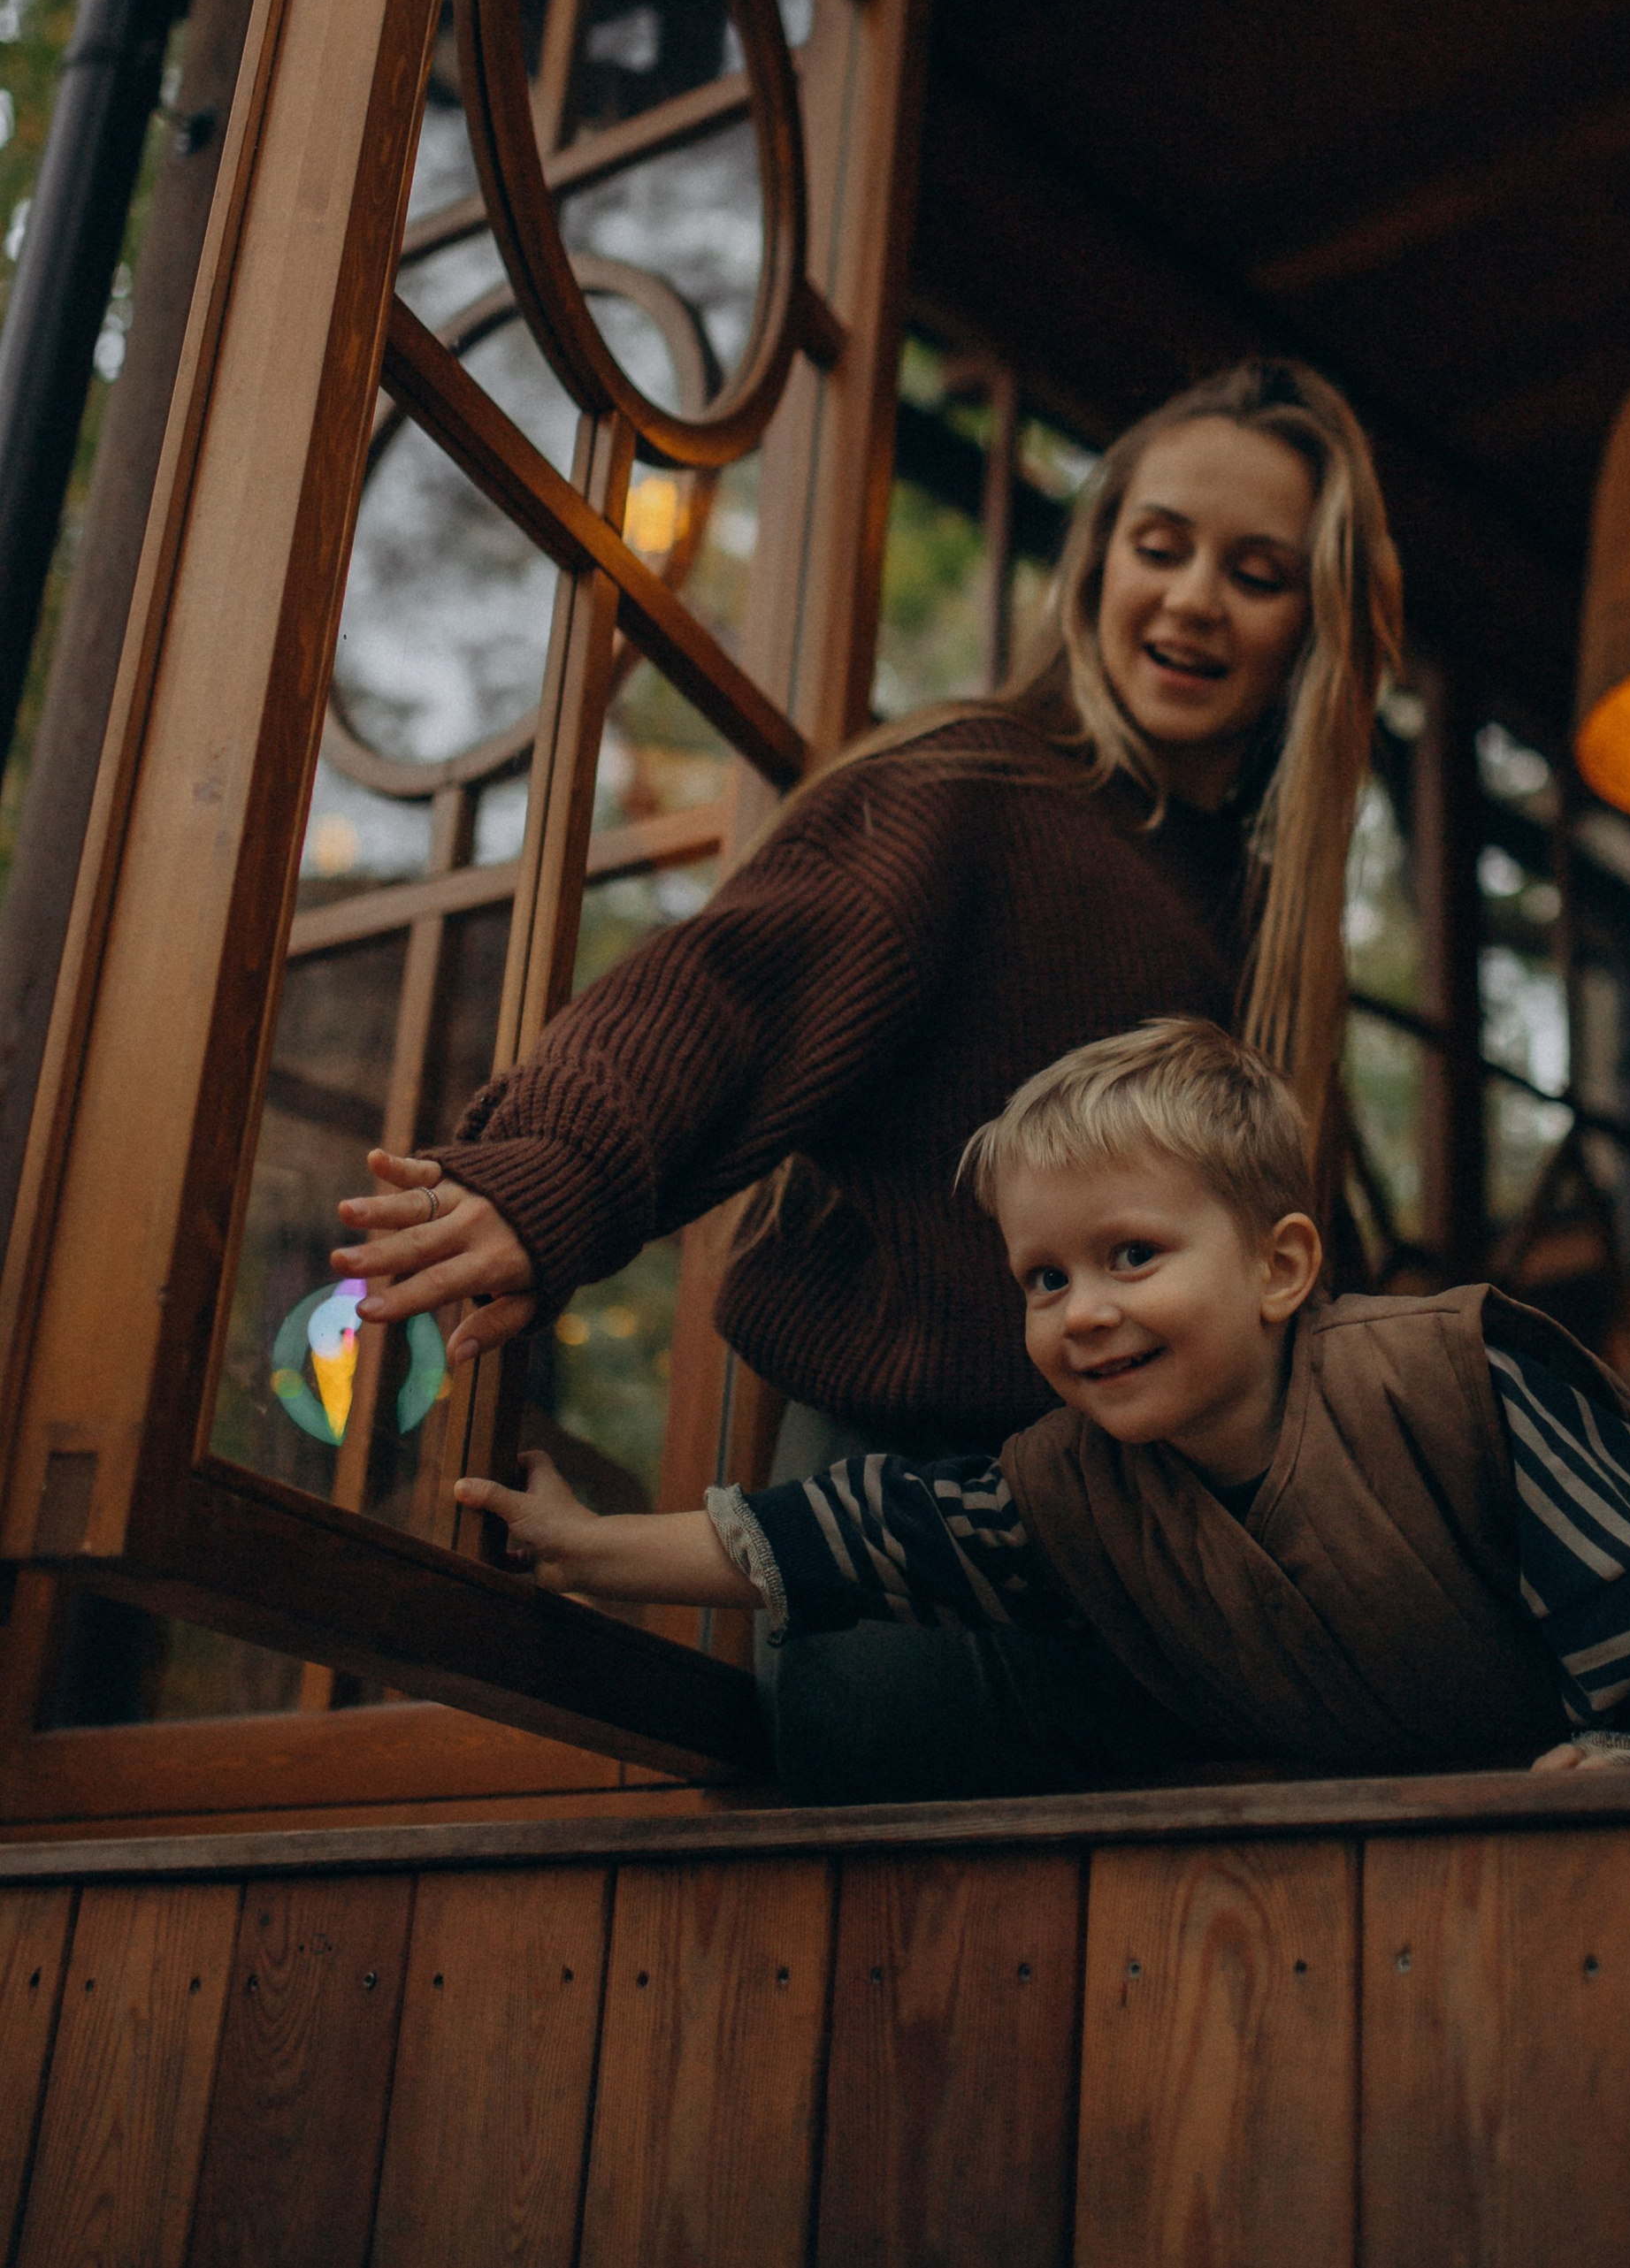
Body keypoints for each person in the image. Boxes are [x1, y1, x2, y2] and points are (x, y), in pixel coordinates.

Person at [333, 358, 1403, 1795]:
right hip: (905, 1555)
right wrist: (556, 1177)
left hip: (1156, 1587)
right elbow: (723, 987)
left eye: (1257, 571)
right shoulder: (975, 789)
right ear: (1095, 568)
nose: (1196, 596)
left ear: (1314, 628)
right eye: (1161, 545)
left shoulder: (1259, 924)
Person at [459, 1019, 1630, 1792]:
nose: (1082, 1307)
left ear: (1281, 1265)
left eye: (1132, 1256)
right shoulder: (1065, 1495)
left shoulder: (1458, 1374)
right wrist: (586, 1547)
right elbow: (857, 1530)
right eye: (1044, 1277)